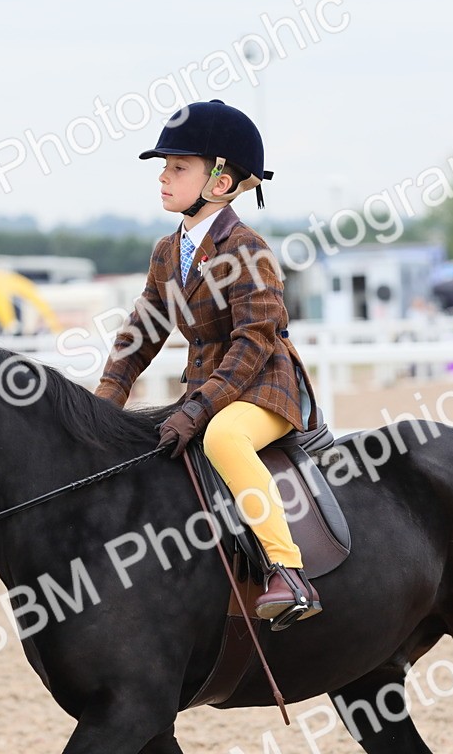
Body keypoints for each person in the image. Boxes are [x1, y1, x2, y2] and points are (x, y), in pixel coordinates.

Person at [95, 99, 323, 628]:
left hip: (264, 390)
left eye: (178, 168)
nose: (163, 177)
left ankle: (288, 572)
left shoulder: (248, 250)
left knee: (223, 439)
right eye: (164, 168)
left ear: (220, 182)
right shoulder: (167, 251)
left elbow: (253, 341)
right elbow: (140, 334)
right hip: (207, 393)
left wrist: (198, 409)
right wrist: (101, 406)